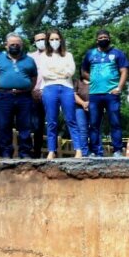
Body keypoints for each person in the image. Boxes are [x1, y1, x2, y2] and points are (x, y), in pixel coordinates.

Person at [82, 29, 129, 157]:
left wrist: (119, 87)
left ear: (109, 38)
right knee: (94, 123)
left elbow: (124, 71)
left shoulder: (118, 53)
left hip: (111, 94)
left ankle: (117, 150)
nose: (103, 39)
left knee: (115, 122)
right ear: (97, 40)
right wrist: (93, 78)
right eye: (101, 37)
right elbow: (84, 71)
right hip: (94, 94)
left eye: (105, 37)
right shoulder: (90, 54)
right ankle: (95, 151)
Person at [38, 28, 83, 159]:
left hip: (67, 88)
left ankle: (78, 149)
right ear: (48, 41)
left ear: (61, 40)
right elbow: (45, 73)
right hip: (49, 88)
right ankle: (52, 150)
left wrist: (57, 73)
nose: (54, 41)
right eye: (51, 39)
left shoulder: (68, 55)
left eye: (56, 39)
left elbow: (71, 71)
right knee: (51, 121)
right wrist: (60, 73)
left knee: (71, 119)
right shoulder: (44, 56)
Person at [0, 33, 38, 158]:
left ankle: (25, 153)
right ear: (6, 46)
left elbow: (34, 78)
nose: (15, 46)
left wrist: (26, 88)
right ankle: (6, 153)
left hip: (24, 97)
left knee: (25, 126)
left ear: (21, 45)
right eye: (12, 44)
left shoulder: (29, 60)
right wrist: (3, 89)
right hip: (5, 97)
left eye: (17, 44)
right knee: (4, 125)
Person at [28, 32, 48, 158]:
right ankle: (35, 152)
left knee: (51, 123)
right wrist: (31, 91)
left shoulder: (55, 55)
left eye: (43, 39)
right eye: (38, 40)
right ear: (34, 42)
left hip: (49, 93)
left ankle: (52, 151)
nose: (41, 41)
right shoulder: (29, 57)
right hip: (33, 94)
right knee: (36, 125)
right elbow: (26, 75)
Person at [74, 76, 92, 156]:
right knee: (82, 130)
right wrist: (83, 103)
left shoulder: (95, 80)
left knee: (95, 129)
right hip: (79, 108)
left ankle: (96, 151)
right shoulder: (77, 81)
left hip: (94, 106)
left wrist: (90, 103)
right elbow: (74, 95)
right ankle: (84, 153)